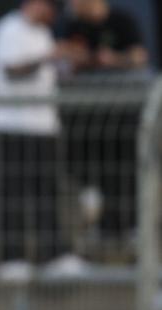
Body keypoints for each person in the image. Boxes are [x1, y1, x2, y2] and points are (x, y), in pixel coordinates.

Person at [0, 0, 87, 283]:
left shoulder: (43, 34)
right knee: (14, 193)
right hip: (13, 124)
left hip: (43, 124)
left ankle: (53, 253)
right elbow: (11, 71)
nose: (53, 16)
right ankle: (12, 257)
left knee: (47, 191)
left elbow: (48, 73)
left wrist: (69, 63)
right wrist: (49, 56)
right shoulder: (7, 29)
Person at [57, 0, 148, 258]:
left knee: (125, 170)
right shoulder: (73, 25)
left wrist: (114, 60)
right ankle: (102, 224)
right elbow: (66, 55)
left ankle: (129, 228)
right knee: (88, 165)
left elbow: (139, 57)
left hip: (122, 112)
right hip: (86, 113)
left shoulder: (122, 20)